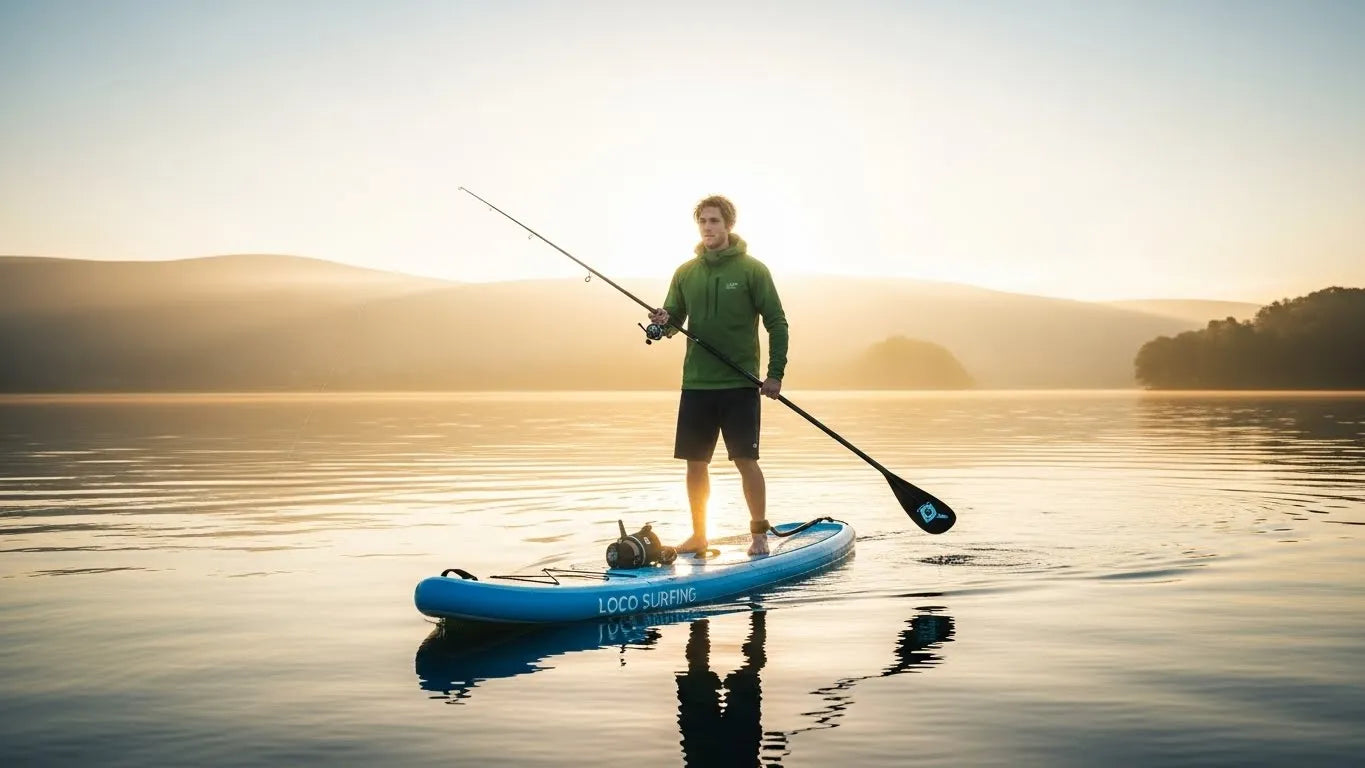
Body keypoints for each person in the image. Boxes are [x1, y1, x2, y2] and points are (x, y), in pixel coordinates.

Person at [648, 195, 788, 556]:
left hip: (740, 384)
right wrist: (661, 325)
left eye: (714, 221)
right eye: (703, 222)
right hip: (697, 384)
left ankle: (758, 534)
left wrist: (774, 375)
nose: (708, 228)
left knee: (746, 460)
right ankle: (699, 535)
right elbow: (672, 324)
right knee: (696, 464)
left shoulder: (752, 270)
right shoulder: (685, 272)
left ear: (728, 225)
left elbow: (777, 323)